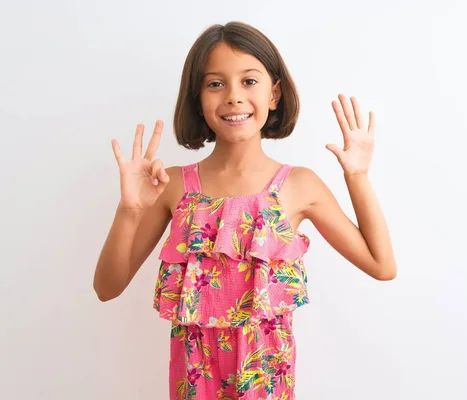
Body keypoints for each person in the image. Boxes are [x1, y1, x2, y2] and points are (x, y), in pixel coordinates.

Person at [94, 21, 396, 400]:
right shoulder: (172, 185)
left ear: (275, 94)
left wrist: (358, 176)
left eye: (249, 81)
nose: (233, 97)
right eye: (215, 83)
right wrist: (129, 209)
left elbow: (382, 266)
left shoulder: (298, 185)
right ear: (197, 98)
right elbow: (107, 287)